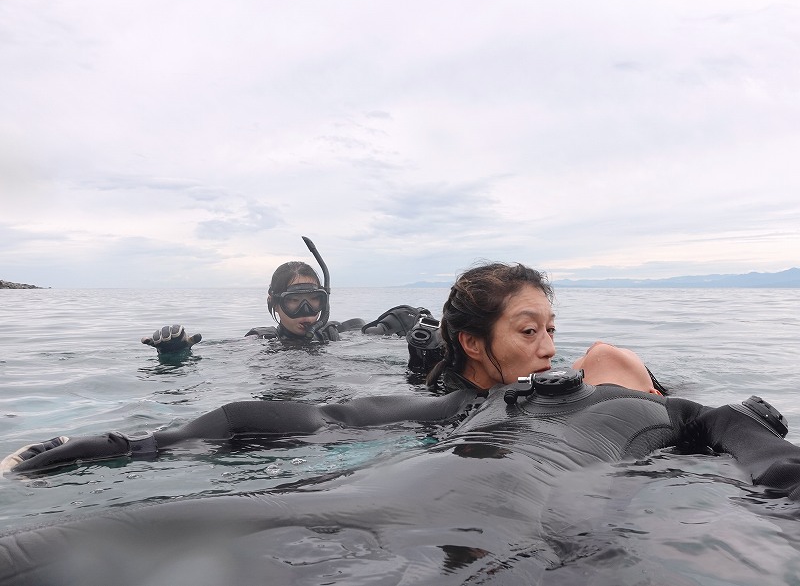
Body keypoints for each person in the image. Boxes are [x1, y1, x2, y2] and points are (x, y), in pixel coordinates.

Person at [1, 262, 799, 585]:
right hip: (432, 511)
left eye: (554, 328)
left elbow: (756, 450)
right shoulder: (481, 406)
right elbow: (313, 413)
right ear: (474, 344)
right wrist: (128, 443)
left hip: (515, 529)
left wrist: (764, 455)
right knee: (57, 550)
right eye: (530, 329)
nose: (554, 346)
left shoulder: (670, 410)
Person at [140, 237, 366, 352]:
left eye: (314, 300)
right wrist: (177, 353)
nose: (305, 312)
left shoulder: (336, 334)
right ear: (274, 303)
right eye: (294, 301)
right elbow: (218, 354)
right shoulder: (261, 342)